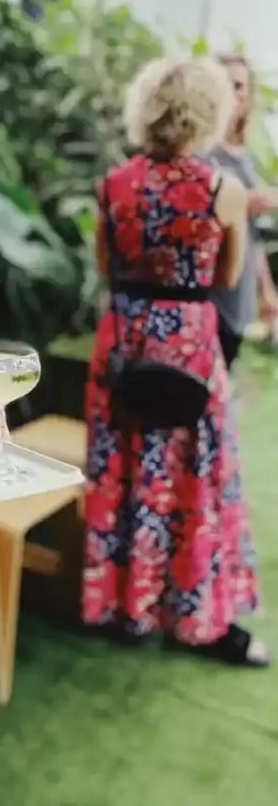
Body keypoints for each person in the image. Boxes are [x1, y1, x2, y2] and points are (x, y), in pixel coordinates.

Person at [82, 56, 268, 666]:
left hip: (126, 335)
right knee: (193, 477)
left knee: (125, 471)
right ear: (209, 112)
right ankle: (193, 616)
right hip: (189, 337)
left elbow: (108, 267)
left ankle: (126, 610)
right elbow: (228, 274)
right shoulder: (225, 191)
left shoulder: (115, 184)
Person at [209, 53, 278, 368]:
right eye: (225, 83)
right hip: (210, 292)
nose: (233, 92)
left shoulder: (244, 154)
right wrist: (253, 199)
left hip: (241, 289)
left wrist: (266, 290)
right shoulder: (201, 149)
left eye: (239, 86)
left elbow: (253, 232)